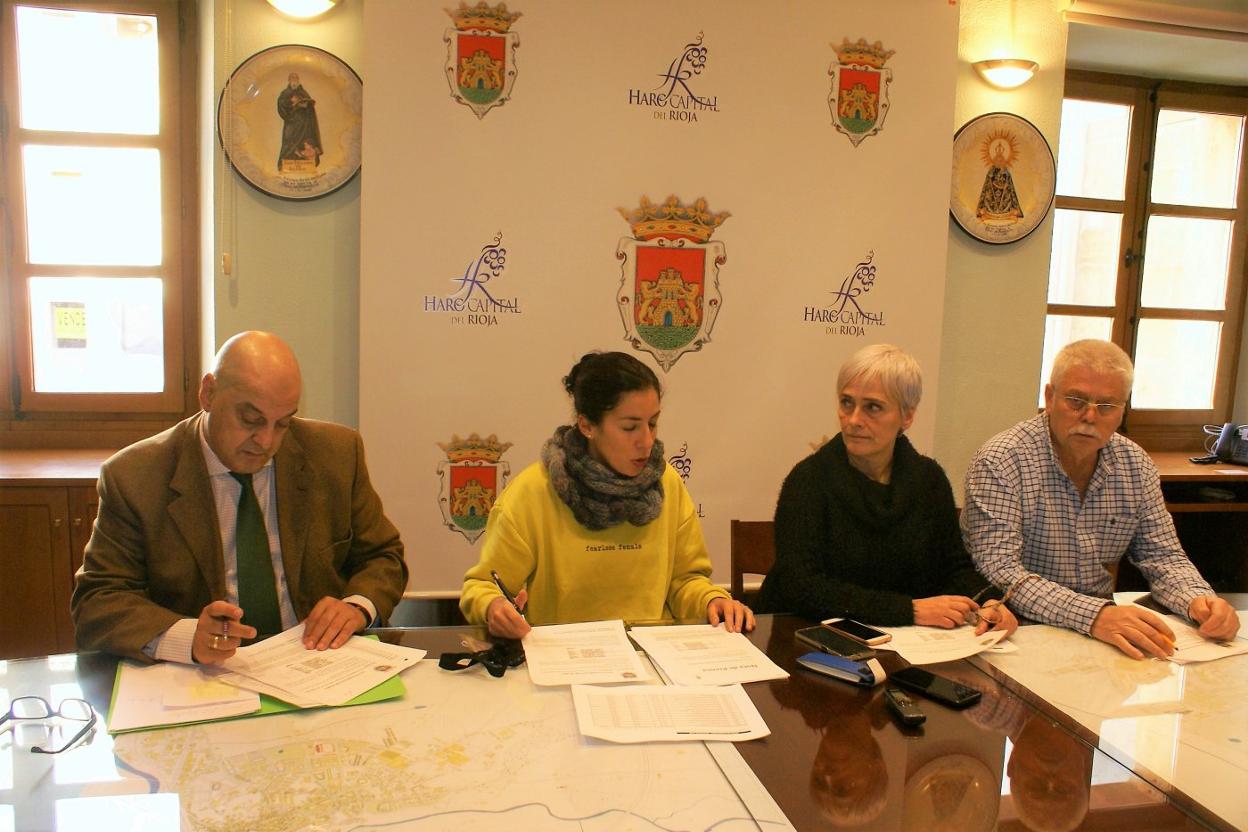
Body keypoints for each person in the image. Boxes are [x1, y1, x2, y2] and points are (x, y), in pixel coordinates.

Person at [72, 331, 408, 665]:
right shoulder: (136, 476)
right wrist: (185, 636)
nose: (265, 441)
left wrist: (355, 606)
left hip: (317, 663)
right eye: (250, 419)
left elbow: (383, 556)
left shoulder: (334, 453)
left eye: (282, 424)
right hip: (208, 677)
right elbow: (99, 601)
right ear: (208, 393)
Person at [963, 338, 1239, 660]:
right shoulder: (1002, 460)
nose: (1090, 416)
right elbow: (1000, 570)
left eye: (1106, 406)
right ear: (1050, 398)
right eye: (1076, 400)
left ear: (1122, 411)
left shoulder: (1134, 464)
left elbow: (1163, 556)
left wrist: (1200, 602)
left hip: (1103, 632)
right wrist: (1094, 615)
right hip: (1016, 631)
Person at [460, 351, 753, 637]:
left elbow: (685, 581)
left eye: (652, 423)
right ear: (587, 425)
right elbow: (482, 587)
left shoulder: (668, 484)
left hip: (654, 662)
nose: (647, 441)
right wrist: (494, 606)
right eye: (630, 427)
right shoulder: (533, 492)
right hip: (565, 665)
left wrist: (713, 601)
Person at [756, 343, 1017, 635]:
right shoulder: (808, 480)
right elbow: (801, 587)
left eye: (873, 407)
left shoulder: (928, 480)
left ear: (907, 416)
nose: (854, 420)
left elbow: (952, 566)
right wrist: (909, 610)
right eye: (846, 403)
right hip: (806, 640)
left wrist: (989, 600)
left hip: (905, 642)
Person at [277, 72, 322, 170]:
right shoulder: (285, 93)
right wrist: (292, 103)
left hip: (304, 124)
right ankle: (286, 163)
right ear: (289, 80)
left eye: (296, 78)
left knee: (304, 142)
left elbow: (310, 106)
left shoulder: (303, 92)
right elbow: (281, 105)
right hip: (291, 123)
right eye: (292, 78)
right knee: (289, 141)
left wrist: (306, 104)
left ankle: (305, 163)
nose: (294, 80)